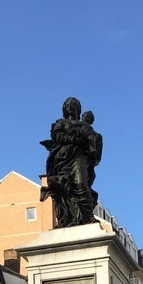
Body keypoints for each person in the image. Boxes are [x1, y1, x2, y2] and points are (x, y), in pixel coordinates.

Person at [40, 97, 98, 227]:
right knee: (64, 188)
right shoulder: (60, 123)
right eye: (67, 105)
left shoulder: (85, 126)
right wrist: (74, 139)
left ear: (78, 108)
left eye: (72, 104)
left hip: (78, 157)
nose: (69, 106)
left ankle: (87, 217)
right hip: (62, 159)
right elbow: (56, 136)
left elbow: (94, 141)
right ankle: (67, 219)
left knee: (81, 184)